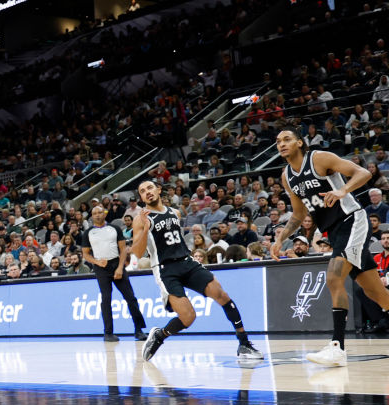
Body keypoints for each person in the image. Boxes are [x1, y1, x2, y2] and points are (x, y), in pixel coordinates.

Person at [272, 129, 389, 367]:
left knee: (334, 278)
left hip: (352, 219)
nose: (281, 144)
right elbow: (298, 214)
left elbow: (363, 172)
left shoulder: (319, 158)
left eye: (286, 139)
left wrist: (343, 190)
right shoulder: (287, 176)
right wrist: (280, 237)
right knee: (375, 293)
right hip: (334, 231)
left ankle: (337, 347)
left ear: (299, 142)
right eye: (277, 141)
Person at [132, 180, 262, 362]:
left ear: (159, 190)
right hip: (165, 269)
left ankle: (244, 343)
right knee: (188, 317)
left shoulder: (175, 212)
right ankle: (160, 336)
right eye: (143, 191)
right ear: (141, 197)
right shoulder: (141, 219)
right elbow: (137, 253)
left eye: (150, 188)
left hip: (187, 261)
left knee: (221, 295)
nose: (147, 192)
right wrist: (146, 228)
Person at [80, 205, 147, 342]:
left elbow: (123, 250)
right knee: (106, 300)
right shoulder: (88, 233)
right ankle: (108, 333)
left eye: (100, 212)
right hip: (101, 268)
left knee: (130, 298)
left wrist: (120, 268)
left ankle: (139, 330)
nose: (98, 215)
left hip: (116, 264)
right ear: (92, 216)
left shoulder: (114, 229)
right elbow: (85, 254)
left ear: (105, 214)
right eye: (95, 213)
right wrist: (97, 262)